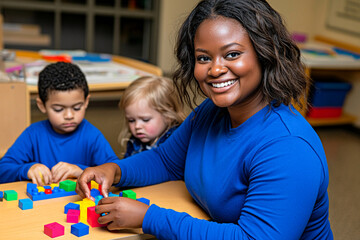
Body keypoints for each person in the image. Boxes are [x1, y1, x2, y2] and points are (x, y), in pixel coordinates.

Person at [76, 0, 333, 239]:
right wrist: (115, 170)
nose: (215, 69)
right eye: (203, 58)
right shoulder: (211, 111)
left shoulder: (288, 147)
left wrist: (148, 217)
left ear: (264, 54)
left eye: (232, 54)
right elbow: (166, 160)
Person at [0, 62, 119, 185]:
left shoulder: (92, 136)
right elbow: (2, 170)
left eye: (77, 107)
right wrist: (27, 169)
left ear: (86, 102)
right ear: (42, 106)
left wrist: (81, 171)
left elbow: (116, 171)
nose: (69, 116)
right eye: (58, 109)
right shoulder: (33, 134)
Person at [118, 76, 186, 158]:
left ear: (168, 116)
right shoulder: (134, 141)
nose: (137, 126)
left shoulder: (176, 141)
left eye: (145, 120)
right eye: (131, 120)